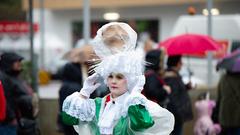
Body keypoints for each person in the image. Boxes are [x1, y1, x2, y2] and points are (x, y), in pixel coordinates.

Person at [61, 22, 174, 135]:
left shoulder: (135, 106)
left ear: (129, 79)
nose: (113, 81)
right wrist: (83, 94)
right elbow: (69, 119)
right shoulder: (98, 104)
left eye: (119, 77)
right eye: (110, 76)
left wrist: (135, 96)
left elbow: (142, 124)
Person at [0, 52, 39, 135]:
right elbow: (5, 100)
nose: (19, 64)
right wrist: (11, 118)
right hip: (8, 122)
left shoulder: (14, 76)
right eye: (16, 61)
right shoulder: (4, 77)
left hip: (19, 119)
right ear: (8, 63)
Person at [164, 55, 193, 135]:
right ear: (177, 63)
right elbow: (173, 97)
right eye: (180, 62)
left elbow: (177, 90)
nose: (182, 64)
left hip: (176, 115)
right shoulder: (171, 77)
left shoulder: (174, 75)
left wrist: (186, 87)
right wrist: (179, 114)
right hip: (176, 116)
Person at [57, 62, 83, 135]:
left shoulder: (63, 86)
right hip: (76, 119)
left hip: (65, 117)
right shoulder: (78, 87)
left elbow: (61, 103)